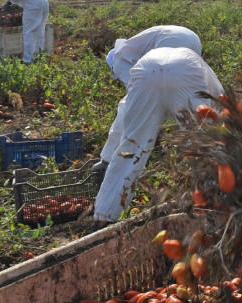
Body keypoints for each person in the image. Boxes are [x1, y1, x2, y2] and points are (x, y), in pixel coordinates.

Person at [92, 46, 224, 224]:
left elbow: (124, 117)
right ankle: (214, 207)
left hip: (146, 72)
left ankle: (104, 216)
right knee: (203, 147)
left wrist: (108, 155)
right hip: (185, 72)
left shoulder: (150, 58)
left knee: (130, 149)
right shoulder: (206, 75)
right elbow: (219, 106)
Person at [92, 26, 206, 174]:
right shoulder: (134, 48)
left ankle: (107, 160)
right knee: (186, 96)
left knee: (126, 107)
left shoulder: (119, 61)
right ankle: (204, 153)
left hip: (171, 41)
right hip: (193, 38)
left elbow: (136, 95)